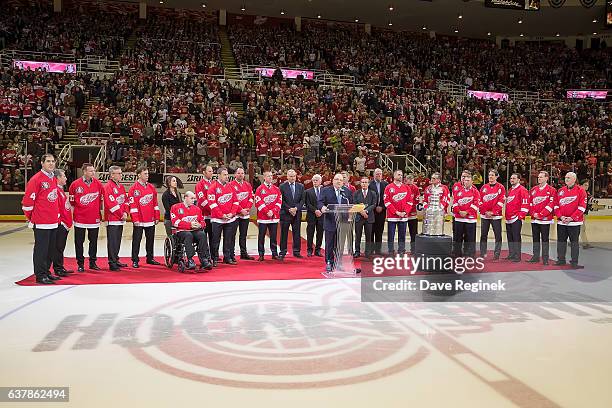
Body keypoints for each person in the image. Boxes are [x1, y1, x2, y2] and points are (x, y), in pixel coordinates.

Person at [21, 153, 60, 284]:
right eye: (48, 161)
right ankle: (40, 275)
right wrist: (32, 218)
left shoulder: (53, 178)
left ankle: (47, 272)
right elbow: (27, 202)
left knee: (50, 250)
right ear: (42, 163)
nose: (51, 163)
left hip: (53, 221)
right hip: (41, 222)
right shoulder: (36, 179)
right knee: (41, 250)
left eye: (53, 161)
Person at [69, 163, 104, 272]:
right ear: (84, 171)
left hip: (94, 218)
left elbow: (101, 201)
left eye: (94, 171)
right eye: (90, 171)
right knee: (79, 242)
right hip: (80, 219)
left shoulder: (98, 184)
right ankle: (80, 263)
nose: (93, 173)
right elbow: (72, 202)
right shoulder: (74, 185)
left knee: (93, 242)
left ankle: (92, 262)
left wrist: (100, 214)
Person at [318, 173, 353, 272]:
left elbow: (350, 204)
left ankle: (338, 262)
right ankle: (329, 262)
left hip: (342, 222)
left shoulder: (347, 192)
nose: (338, 181)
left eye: (341, 180)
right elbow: (320, 202)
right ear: (333, 180)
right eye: (336, 179)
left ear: (343, 182)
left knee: (339, 245)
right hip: (330, 221)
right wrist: (322, 207)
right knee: (329, 244)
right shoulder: (325, 190)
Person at [170, 191, 212, 271]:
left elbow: (202, 221)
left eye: (194, 199)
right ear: (185, 197)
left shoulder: (197, 209)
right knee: (188, 235)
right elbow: (175, 222)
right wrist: (189, 225)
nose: (194, 200)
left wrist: (200, 225)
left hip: (194, 231)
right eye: (191, 198)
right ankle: (190, 260)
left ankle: (203, 259)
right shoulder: (175, 207)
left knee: (202, 234)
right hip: (181, 232)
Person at [128, 167, 161, 268]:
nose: (147, 175)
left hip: (150, 219)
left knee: (150, 240)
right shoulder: (133, 189)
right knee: (136, 240)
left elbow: (155, 203)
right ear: (139, 175)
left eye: (147, 173)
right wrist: (135, 219)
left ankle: (150, 258)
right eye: (145, 174)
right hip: (139, 220)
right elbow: (132, 206)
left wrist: (156, 216)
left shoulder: (151, 187)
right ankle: (135, 260)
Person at [554, 172, 587, 268]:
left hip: (574, 223)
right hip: (562, 222)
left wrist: (571, 218)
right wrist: (561, 216)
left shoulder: (581, 191)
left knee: (574, 243)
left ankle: (574, 262)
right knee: (561, 241)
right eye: (565, 177)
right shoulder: (560, 191)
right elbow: (556, 206)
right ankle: (561, 260)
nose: (566, 179)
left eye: (569, 178)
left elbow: (582, 207)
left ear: (574, 179)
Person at [208, 167, 239, 266]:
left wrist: (232, 213)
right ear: (219, 175)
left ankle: (227, 257)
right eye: (224, 175)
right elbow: (212, 204)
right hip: (217, 220)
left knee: (228, 239)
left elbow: (235, 201)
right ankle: (214, 258)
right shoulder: (213, 187)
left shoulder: (231, 187)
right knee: (215, 240)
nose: (227, 176)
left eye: (227, 175)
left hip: (230, 219)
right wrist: (221, 215)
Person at [527, 171, 556, 265]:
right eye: (538, 177)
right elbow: (530, 203)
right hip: (534, 219)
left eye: (541, 177)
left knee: (545, 239)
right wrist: (533, 213)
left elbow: (551, 204)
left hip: (545, 220)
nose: (539, 178)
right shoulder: (533, 189)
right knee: (535, 239)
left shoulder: (551, 190)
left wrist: (541, 214)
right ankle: (535, 257)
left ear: (546, 178)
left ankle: (545, 258)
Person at [103, 165, 129, 271]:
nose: (121, 175)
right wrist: (121, 214)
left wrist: (126, 212)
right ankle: (112, 262)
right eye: (118, 173)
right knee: (112, 242)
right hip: (112, 219)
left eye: (121, 173)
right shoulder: (108, 187)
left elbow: (126, 200)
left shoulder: (121, 187)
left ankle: (116, 259)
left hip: (120, 219)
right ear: (112, 175)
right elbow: (111, 204)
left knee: (117, 241)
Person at [451, 170, 480, 258]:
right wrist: (459, 211)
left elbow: (476, 204)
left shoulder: (475, 192)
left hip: (470, 219)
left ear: (472, 181)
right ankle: (457, 253)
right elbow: (455, 203)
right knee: (457, 237)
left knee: (470, 237)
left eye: (468, 180)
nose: (465, 182)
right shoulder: (458, 191)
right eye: (464, 180)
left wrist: (467, 212)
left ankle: (470, 253)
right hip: (459, 218)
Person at [51, 168, 73, 278]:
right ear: (58, 178)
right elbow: (56, 209)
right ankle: (57, 268)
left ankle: (60, 266)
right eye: (64, 176)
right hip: (60, 225)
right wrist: (62, 223)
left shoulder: (60, 190)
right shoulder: (55, 190)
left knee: (60, 247)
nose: (66, 178)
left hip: (64, 224)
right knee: (58, 247)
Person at [384, 170, 413, 255]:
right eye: (399, 174)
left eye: (401, 175)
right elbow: (387, 202)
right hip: (392, 216)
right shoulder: (388, 187)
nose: (400, 176)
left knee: (402, 236)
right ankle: (390, 251)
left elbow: (410, 202)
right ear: (394, 176)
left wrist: (404, 212)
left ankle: (401, 250)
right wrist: (396, 212)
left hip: (403, 216)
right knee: (391, 236)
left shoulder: (407, 187)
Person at [254, 171, 281, 261]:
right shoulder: (259, 189)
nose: (270, 177)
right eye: (268, 176)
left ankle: (274, 253)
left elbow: (279, 201)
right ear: (264, 177)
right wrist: (267, 211)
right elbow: (258, 202)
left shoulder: (276, 189)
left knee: (273, 236)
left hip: (274, 217)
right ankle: (261, 254)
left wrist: (273, 211)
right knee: (261, 236)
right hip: (263, 218)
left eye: (271, 176)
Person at [479, 169, 505, 260]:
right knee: (483, 235)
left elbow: (501, 201)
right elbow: (480, 201)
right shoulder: (483, 187)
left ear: (497, 176)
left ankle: (496, 254)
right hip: (484, 216)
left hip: (496, 216)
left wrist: (493, 212)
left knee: (497, 235)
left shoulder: (501, 187)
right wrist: (485, 212)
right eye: (489, 175)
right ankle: (483, 253)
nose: (490, 176)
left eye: (492, 175)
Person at [279, 169, 305, 259]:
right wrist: (289, 209)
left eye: (294, 176)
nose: (292, 178)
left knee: (297, 233)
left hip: (297, 214)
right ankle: (283, 251)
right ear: (287, 177)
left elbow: (302, 200)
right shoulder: (282, 186)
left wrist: (296, 208)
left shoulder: (301, 186)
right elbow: (281, 200)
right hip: (285, 213)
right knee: (284, 233)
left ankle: (296, 251)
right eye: (290, 176)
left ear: (296, 176)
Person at [229, 167, 254, 260]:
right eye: (239, 173)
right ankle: (231, 254)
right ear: (235, 174)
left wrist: (247, 209)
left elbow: (251, 198)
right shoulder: (231, 185)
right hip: (235, 215)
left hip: (245, 215)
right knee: (232, 235)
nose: (240, 175)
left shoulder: (248, 185)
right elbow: (231, 200)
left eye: (242, 173)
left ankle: (243, 253)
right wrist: (240, 210)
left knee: (243, 235)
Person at [504, 173, 529, 262]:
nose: (512, 180)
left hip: (516, 218)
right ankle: (511, 254)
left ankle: (517, 256)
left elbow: (525, 203)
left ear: (519, 180)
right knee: (510, 237)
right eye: (511, 178)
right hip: (508, 218)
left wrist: (520, 216)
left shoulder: (522, 190)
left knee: (516, 237)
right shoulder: (510, 190)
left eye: (514, 178)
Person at [195, 165, 215, 261]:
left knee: (213, 237)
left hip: (213, 216)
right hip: (204, 216)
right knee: (203, 238)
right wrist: (213, 209)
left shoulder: (214, 183)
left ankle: (213, 255)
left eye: (212, 171)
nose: (211, 173)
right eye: (209, 171)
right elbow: (202, 200)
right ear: (204, 172)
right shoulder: (200, 184)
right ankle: (204, 257)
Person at [353, 176, 377, 258]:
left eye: (365, 182)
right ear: (360, 183)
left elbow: (374, 204)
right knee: (358, 236)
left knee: (368, 236)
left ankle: (368, 252)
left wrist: (366, 211)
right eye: (362, 182)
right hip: (359, 218)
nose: (364, 184)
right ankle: (357, 251)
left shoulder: (373, 193)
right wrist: (362, 212)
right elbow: (355, 204)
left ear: (368, 183)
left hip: (369, 218)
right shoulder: (356, 193)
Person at [368, 168, 388, 255]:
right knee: (371, 231)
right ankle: (371, 250)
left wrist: (382, 207)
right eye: (377, 174)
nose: (379, 175)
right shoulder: (369, 184)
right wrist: (375, 206)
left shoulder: (386, 184)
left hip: (382, 211)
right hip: (372, 211)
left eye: (380, 174)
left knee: (379, 231)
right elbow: (368, 198)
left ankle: (378, 250)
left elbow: (387, 198)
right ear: (374, 175)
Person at [304, 174, 324, 257]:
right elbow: (307, 203)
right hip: (311, 215)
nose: (315, 182)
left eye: (316, 180)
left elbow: (325, 202)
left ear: (320, 181)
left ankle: (318, 250)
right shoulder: (308, 191)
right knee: (310, 233)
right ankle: (309, 250)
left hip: (321, 215)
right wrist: (315, 210)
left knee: (320, 233)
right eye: (313, 180)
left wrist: (321, 211)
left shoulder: (324, 191)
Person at [404, 174, 420, 254]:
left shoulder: (416, 188)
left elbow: (416, 201)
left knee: (413, 233)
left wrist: (408, 208)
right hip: (403, 214)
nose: (409, 181)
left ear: (413, 180)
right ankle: (401, 249)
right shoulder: (402, 187)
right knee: (402, 233)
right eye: (408, 179)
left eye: (411, 179)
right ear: (405, 180)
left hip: (412, 215)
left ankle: (414, 250)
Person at [580, 179, 593, 249]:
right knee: (582, 228)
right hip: (579, 214)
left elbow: (589, 205)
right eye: (585, 185)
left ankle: (571, 241)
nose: (587, 186)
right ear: (581, 185)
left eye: (588, 185)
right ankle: (585, 243)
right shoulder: (579, 193)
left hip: (583, 213)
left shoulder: (587, 193)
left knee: (580, 228)